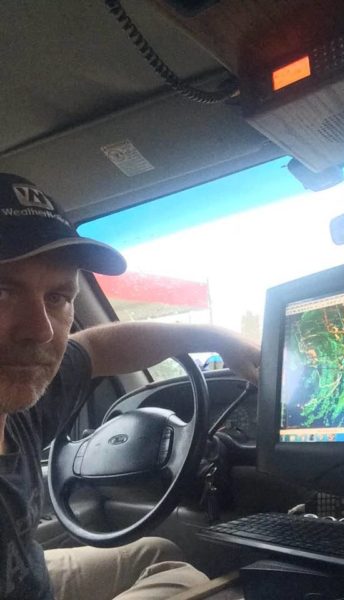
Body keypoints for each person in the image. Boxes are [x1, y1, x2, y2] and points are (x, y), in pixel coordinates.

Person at [0, 173, 260, 600]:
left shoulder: (18, 411)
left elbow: (98, 346)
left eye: (58, 297)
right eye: (3, 290)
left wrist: (216, 338)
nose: (41, 331)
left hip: (27, 572)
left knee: (157, 555)